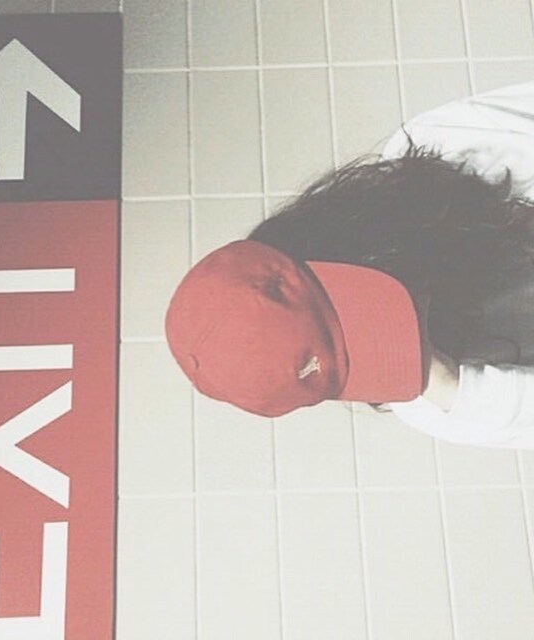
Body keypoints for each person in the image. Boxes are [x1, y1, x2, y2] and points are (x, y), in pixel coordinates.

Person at [165, 81, 534, 449]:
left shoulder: (448, 147)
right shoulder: (428, 394)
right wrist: (454, 386)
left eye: (362, 318)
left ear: (335, 245)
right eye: (357, 357)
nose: (403, 334)